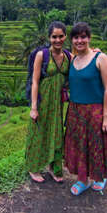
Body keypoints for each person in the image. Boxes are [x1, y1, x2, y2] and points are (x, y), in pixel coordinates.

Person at [64, 22, 107, 195]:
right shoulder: (72, 59)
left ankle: (99, 177)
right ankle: (82, 179)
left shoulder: (100, 58)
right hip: (75, 111)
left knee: (96, 144)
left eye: (83, 37)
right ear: (72, 40)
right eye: (76, 37)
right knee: (79, 145)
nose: (80, 40)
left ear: (89, 38)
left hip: (95, 110)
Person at [26, 21, 70, 183]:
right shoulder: (42, 55)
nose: (57, 40)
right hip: (43, 100)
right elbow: (35, 82)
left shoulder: (68, 56)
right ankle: (33, 167)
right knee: (39, 133)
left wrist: (96, 51)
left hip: (58, 103)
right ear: (49, 37)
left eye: (60, 36)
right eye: (54, 37)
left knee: (57, 133)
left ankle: (54, 168)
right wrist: (34, 107)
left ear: (65, 36)